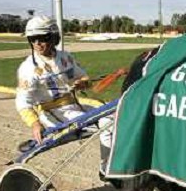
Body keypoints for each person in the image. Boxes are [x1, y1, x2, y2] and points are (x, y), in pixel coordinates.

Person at [15, 15, 113, 179]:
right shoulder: (28, 68)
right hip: (51, 113)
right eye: (32, 39)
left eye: (42, 38)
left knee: (112, 116)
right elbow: (22, 102)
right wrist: (35, 124)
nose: (37, 43)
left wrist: (82, 83)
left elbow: (83, 78)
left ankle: (109, 166)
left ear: (53, 37)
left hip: (73, 106)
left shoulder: (65, 57)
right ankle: (107, 169)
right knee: (107, 124)